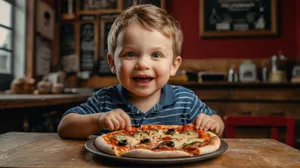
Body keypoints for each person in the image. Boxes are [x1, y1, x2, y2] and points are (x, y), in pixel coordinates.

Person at [58, 4, 224, 139]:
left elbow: (218, 124)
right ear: (112, 63)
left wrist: (212, 123)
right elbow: (65, 126)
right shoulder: (103, 101)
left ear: (174, 65)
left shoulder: (185, 101)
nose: (143, 64)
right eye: (130, 54)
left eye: (156, 55)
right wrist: (98, 120)